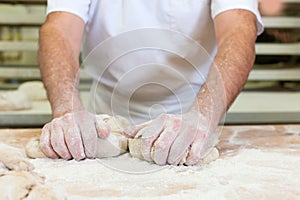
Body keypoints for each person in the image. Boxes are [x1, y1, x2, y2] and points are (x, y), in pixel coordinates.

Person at [39, 0, 263, 166]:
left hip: (192, 118)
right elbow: (60, 29)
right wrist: (67, 108)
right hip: (102, 125)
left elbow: (238, 30)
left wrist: (202, 116)